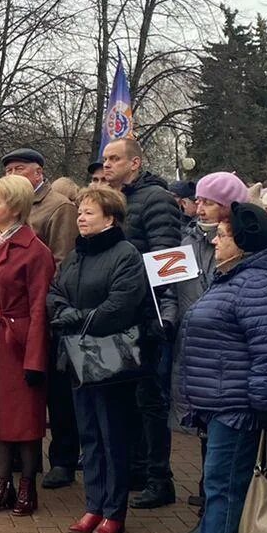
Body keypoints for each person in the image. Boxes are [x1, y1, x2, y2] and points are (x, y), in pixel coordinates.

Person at [170, 203, 267, 533]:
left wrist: (258, 404)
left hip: (237, 405)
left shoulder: (256, 283)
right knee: (233, 486)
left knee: (224, 489)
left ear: (243, 243)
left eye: (221, 236)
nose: (212, 240)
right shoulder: (236, 277)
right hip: (225, 400)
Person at [48, 184, 149, 533]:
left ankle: (113, 510)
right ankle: (93, 505)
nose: (81, 218)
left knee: (112, 435)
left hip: (111, 358)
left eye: (89, 213)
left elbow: (120, 305)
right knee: (88, 433)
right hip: (77, 355)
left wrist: (77, 318)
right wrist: (67, 313)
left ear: (110, 218)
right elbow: (55, 292)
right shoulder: (76, 255)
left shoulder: (126, 254)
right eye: (79, 212)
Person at [98, 137, 182, 510]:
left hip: (148, 314)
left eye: (115, 159)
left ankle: (158, 477)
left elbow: (168, 258)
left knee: (151, 400)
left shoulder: (156, 199)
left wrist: (161, 310)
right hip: (122, 312)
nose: (108, 165)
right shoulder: (115, 199)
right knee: (129, 396)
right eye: (105, 159)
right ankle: (134, 468)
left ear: (135, 163)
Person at [0, 175, 56, 517]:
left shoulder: (35, 251)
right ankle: (0, 484)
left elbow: (39, 308)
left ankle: (26, 487)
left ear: (15, 207)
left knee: (24, 422)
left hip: (17, 343)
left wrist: (34, 359)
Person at [169, 171, 249, 533]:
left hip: (224, 355)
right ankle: (205, 519)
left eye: (209, 202)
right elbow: (174, 284)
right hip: (193, 345)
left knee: (222, 454)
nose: (199, 207)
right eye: (198, 201)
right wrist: (169, 314)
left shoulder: (243, 243)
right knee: (204, 440)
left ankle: (223, 530)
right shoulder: (188, 236)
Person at [1, 148, 81, 491]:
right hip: (14, 315)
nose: (13, 174)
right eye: (8, 170)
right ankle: (18, 452)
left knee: (58, 393)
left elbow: (63, 262)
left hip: (46, 310)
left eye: (19, 168)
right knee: (22, 388)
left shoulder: (59, 206)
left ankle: (63, 459)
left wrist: (41, 299)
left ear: (38, 173)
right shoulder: (9, 207)